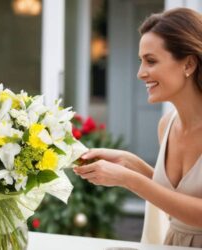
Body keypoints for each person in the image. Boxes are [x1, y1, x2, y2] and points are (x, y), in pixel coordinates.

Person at [74, 7, 202, 248]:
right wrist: (130, 162)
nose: (140, 73)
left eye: (151, 61)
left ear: (189, 64)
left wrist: (129, 180)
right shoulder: (167, 126)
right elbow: (178, 197)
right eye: (141, 61)